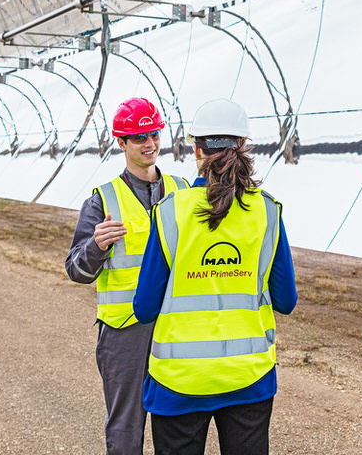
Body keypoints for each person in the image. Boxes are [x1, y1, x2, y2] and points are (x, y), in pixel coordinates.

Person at [134, 98, 297, 455]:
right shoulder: (267, 210)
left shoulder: (169, 212)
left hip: (178, 381)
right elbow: (286, 301)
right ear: (244, 146)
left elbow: (144, 308)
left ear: (196, 150)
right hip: (248, 377)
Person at [66, 97, 191, 455]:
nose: (150, 143)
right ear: (121, 143)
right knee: (126, 426)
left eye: (154, 133)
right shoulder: (102, 202)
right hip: (126, 332)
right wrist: (96, 246)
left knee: (180, 426)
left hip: (179, 327)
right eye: (139, 137)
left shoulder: (184, 193)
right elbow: (76, 270)